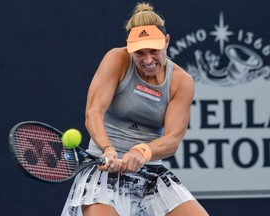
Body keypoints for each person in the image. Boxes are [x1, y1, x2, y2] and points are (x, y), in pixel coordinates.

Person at [62, 2, 209, 216]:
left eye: (154, 51)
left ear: (166, 42)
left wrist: (142, 151)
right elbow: (93, 112)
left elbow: (172, 140)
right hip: (103, 168)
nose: (148, 59)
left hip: (150, 172)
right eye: (140, 53)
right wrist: (107, 149)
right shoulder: (116, 59)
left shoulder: (181, 81)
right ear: (129, 48)